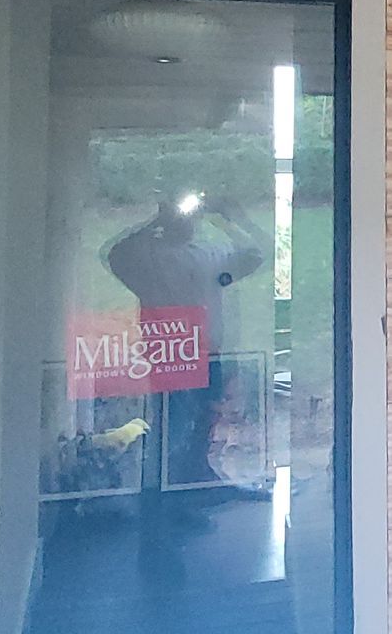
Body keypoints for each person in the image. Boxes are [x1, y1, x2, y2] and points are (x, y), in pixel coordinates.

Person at [103, 195, 268, 485]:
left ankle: (197, 479)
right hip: (171, 351)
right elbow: (115, 254)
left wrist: (233, 219)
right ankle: (169, 490)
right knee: (173, 425)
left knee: (206, 418)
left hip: (209, 349)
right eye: (181, 213)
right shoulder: (148, 255)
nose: (188, 219)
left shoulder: (210, 253)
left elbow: (257, 254)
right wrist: (154, 223)